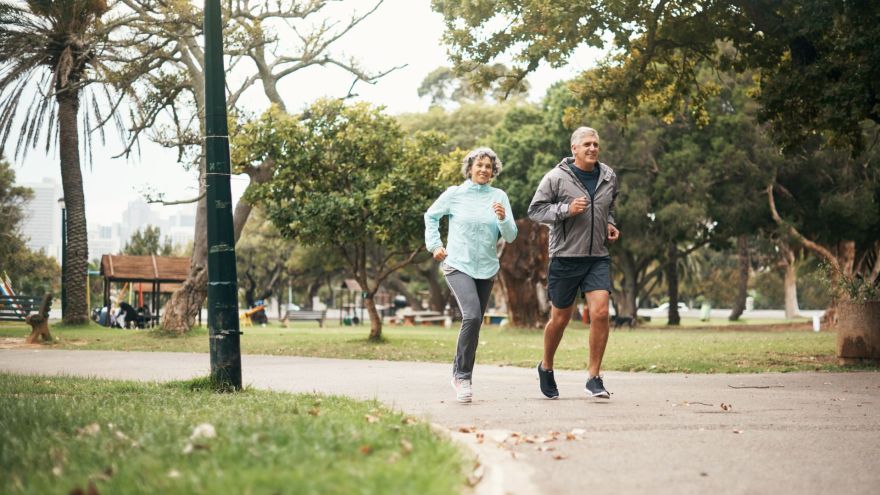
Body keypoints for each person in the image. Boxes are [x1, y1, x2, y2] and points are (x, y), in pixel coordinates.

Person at [528, 127, 620, 399]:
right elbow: (536, 210)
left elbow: (608, 206)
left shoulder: (608, 176)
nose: (593, 149)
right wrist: (566, 210)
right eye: (587, 145)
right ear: (574, 149)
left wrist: (610, 223)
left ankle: (594, 377)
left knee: (601, 312)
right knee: (560, 319)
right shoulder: (556, 178)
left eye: (596, 144)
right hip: (565, 257)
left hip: (597, 257)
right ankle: (546, 366)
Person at [424, 147, 518, 403]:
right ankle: (462, 377)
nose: (484, 170)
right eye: (480, 165)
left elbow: (510, 235)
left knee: (474, 324)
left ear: (493, 171)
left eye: (489, 166)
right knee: (473, 315)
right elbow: (431, 216)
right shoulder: (454, 194)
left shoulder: (499, 196)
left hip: (486, 268)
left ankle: (460, 372)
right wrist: (435, 245)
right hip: (458, 264)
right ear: (470, 168)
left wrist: (502, 218)